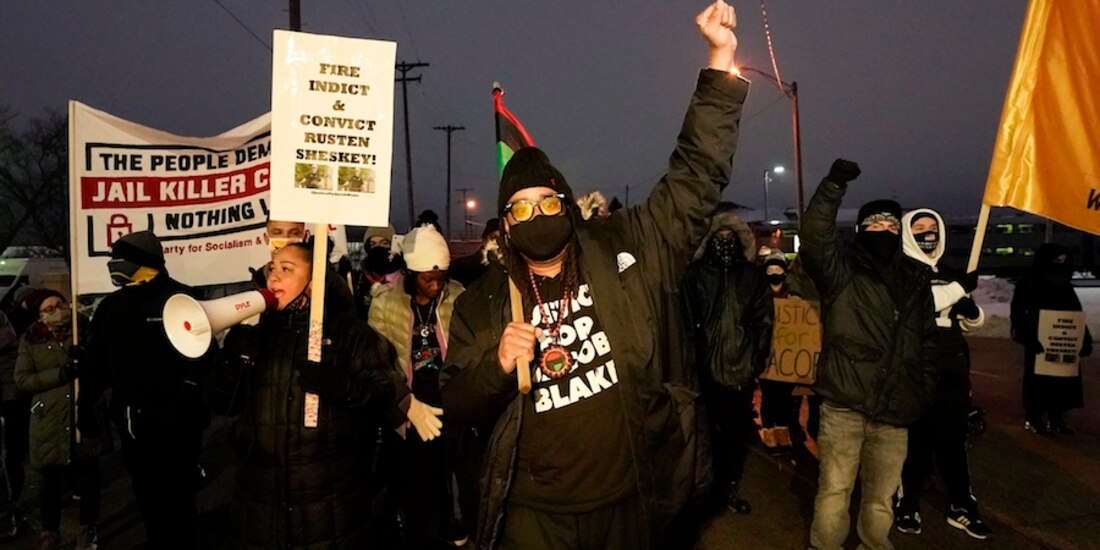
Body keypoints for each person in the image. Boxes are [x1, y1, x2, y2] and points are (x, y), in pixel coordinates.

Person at [441, 3, 747, 547]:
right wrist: (498, 365)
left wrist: (720, 64)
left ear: (568, 203)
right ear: (505, 226)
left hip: (632, 498)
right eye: (521, 209)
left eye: (547, 202)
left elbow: (694, 177)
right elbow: (456, 407)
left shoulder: (627, 249)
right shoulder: (481, 304)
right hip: (535, 516)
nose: (537, 217)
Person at [205, 241, 402, 548]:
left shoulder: (349, 333)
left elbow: (382, 395)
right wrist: (236, 354)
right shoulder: (255, 334)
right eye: (272, 269)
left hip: (330, 505)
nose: (273, 278)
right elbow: (221, 402)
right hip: (261, 504)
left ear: (314, 281)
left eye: (286, 269)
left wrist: (342, 386)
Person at [801, 159, 938, 550]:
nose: (884, 230)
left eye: (892, 225)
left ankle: (874, 545)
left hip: (895, 409)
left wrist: (921, 391)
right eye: (875, 224)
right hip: (845, 405)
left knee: (881, 501)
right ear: (861, 230)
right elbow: (814, 237)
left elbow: (926, 339)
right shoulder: (841, 267)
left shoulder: (915, 276)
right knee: (834, 492)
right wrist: (832, 187)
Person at [81, 231, 213, 549]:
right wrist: (85, 410)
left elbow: (204, 359)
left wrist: (187, 400)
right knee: (149, 504)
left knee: (180, 507)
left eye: (120, 258)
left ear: (146, 263)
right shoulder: (109, 309)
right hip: (133, 427)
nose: (113, 265)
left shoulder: (181, 299)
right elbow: (95, 366)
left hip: (179, 427)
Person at [893, 208, 991, 539]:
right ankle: (907, 504)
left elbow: (973, 322)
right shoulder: (899, 271)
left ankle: (962, 505)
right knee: (916, 441)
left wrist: (971, 310)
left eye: (932, 227)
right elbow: (917, 305)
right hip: (914, 368)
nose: (926, 233)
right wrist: (956, 290)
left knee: (952, 440)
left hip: (950, 368)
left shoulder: (951, 273)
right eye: (918, 227)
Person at [369, 225, 465, 548]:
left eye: (441, 278)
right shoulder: (385, 303)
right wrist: (403, 406)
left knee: (448, 481)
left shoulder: (457, 297)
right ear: (410, 273)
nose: (436, 286)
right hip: (410, 410)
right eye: (427, 279)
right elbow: (378, 364)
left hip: (450, 404)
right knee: (417, 489)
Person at [682, 209, 772, 514]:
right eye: (718, 236)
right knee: (703, 436)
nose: (724, 241)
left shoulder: (751, 276)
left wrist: (756, 359)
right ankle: (703, 491)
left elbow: (764, 321)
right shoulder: (695, 275)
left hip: (739, 371)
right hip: (703, 372)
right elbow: (685, 320)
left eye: (730, 237)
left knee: (734, 437)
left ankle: (728, 488)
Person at [15, 290, 111, 550]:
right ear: (39, 316)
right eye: (49, 308)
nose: (57, 310)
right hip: (49, 420)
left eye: (60, 304)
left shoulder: (84, 330)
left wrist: (86, 359)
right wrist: (62, 373)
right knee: (50, 482)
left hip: (84, 414)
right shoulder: (31, 339)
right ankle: (49, 532)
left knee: (89, 477)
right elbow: (22, 379)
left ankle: (87, 528)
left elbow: (105, 366)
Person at [1011, 242, 1093, 434]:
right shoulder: (1028, 284)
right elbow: (1018, 313)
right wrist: (1027, 335)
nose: (1060, 264)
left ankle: (1057, 419)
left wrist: (1083, 338)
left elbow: (1075, 314)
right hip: (1038, 342)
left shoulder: (1066, 286)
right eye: (1056, 260)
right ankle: (1034, 417)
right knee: (1038, 383)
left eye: (1064, 260)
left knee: (1063, 382)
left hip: (1063, 343)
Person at [356, 225, 402, 319]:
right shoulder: (359, 279)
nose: (378, 248)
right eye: (372, 244)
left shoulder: (403, 277)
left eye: (384, 243)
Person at [450, 219, 501, 288]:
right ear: (484, 240)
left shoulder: (513, 270)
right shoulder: (461, 268)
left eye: (503, 238)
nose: (497, 242)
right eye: (493, 237)